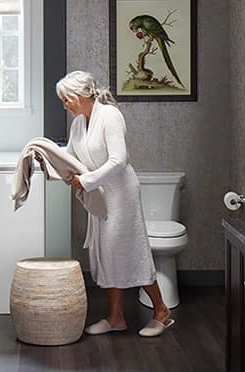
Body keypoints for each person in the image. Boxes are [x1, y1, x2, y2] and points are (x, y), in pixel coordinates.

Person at [56, 70, 174, 337]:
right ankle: (116, 317)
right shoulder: (78, 124)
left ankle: (161, 311)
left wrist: (86, 180)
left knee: (130, 250)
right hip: (99, 195)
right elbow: (70, 156)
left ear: (80, 95)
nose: (65, 105)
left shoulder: (110, 116)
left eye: (66, 99)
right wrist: (44, 157)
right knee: (104, 252)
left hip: (121, 193)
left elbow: (118, 159)